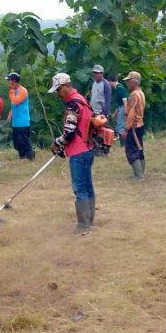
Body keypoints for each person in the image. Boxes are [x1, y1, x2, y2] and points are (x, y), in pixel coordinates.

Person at [49, 73, 97, 235]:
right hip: (88, 148)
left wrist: (57, 143)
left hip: (78, 151)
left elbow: (69, 132)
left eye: (59, 89)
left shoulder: (72, 105)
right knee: (87, 185)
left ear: (66, 86)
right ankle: (89, 221)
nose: (58, 93)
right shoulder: (82, 100)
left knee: (79, 188)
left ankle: (83, 226)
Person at [123, 70, 146, 180]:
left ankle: (138, 175)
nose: (127, 83)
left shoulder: (133, 95)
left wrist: (126, 129)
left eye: (129, 81)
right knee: (139, 149)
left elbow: (131, 113)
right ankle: (141, 173)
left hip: (134, 127)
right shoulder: (141, 93)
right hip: (141, 124)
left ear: (134, 82)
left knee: (131, 150)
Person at [6, 72, 33, 161]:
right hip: (16, 122)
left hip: (22, 121)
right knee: (17, 142)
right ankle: (22, 157)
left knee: (24, 141)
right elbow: (13, 105)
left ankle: (29, 157)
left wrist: (11, 92)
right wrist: (10, 114)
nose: (9, 83)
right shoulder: (14, 92)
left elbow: (15, 101)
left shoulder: (22, 91)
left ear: (13, 81)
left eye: (9, 81)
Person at [108, 73, 128, 140]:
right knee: (119, 124)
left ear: (110, 81)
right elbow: (119, 103)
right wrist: (115, 113)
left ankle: (123, 142)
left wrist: (125, 112)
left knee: (121, 126)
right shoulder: (118, 88)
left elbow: (125, 100)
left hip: (123, 108)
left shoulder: (119, 88)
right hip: (120, 108)